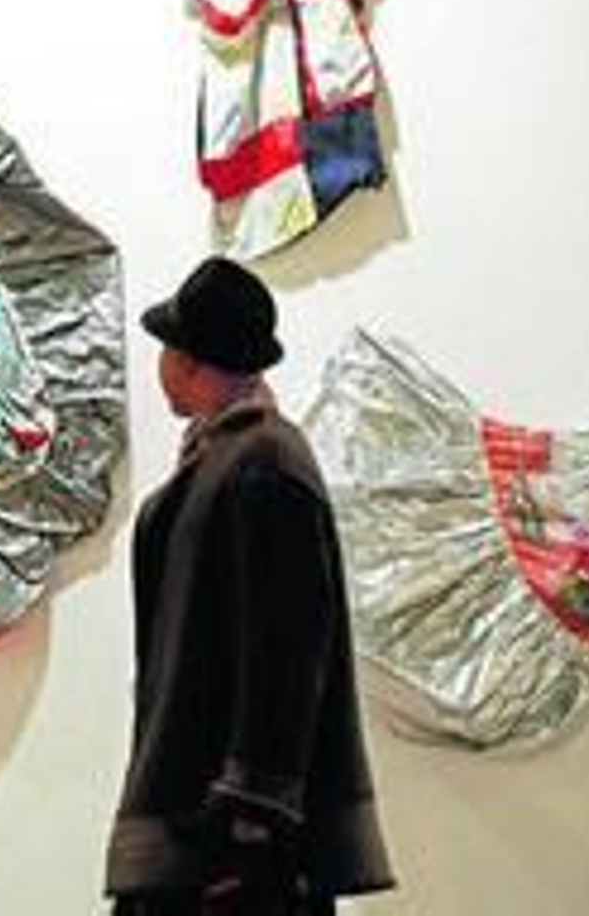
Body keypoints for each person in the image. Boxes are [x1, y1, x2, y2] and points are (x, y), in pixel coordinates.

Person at [105, 257, 395, 915]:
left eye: (167, 348)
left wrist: (249, 818)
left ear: (188, 360)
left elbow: (289, 650)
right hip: (200, 836)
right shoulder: (225, 463)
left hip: (235, 854)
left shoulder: (264, 464)